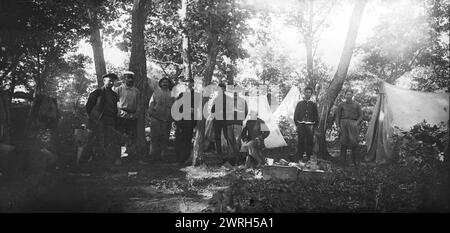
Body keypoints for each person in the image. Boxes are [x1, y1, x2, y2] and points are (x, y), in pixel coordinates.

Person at [85, 73, 120, 164]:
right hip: (98, 120)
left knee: (109, 140)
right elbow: (88, 107)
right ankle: (89, 161)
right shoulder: (97, 92)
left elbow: (116, 108)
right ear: (104, 81)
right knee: (95, 140)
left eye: (112, 81)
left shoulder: (114, 95)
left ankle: (108, 161)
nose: (111, 83)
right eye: (109, 80)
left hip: (110, 120)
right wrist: (93, 119)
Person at [212, 79, 241, 164]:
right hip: (217, 120)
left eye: (222, 89)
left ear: (224, 89)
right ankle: (219, 153)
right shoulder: (215, 99)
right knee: (217, 137)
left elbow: (231, 109)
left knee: (227, 137)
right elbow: (212, 110)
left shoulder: (228, 98)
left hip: (226, 120)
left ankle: (230, 154)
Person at [114, 71, 140, 163]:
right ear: (124, 79)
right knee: (119, 136)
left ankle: (130, 156)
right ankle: (117, 157)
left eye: (131, 78)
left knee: (131, 137)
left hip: (132, 116)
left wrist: (135, 114)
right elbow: (115, 103)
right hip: (121, 116)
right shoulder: (118, 89)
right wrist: (119, 112)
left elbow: (138, 104)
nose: (130, 80)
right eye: (128, 77)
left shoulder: (136, 91)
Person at [174, 78, 200, 164]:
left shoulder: (196, 95)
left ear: (193, 84)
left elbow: (198, 109)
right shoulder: (181, 94)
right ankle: (178, 158)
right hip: (181, 121)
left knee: (188, 139)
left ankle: (186, 157)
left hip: (190, 121)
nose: (188, 84)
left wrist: (196, 121)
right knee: (179, 139)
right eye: (187, 83)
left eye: (190, 83)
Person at [148, 77, 174, 161]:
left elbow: (174, 107)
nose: (165, 83)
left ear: (169, 84)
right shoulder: (155, 93)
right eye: (163, 82)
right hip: (156, 119)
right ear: (160, 83)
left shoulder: (172, 94)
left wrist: (170, 118)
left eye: (167, 82)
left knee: (165, 138)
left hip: (167, 120)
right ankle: (152, 155)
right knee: (154, 138)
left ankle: (163, 155)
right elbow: (151, 106)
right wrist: (153, 115)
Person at [336, 89, 363, 167]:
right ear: (345, 95)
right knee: (343, 143)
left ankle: (355, 162)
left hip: (353, 124)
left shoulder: (357, 105)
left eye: (350, 94)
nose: (348, 96)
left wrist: (356, 123)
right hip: (343, 124)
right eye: (347, 94)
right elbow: (337, 116)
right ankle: (342, 163)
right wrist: (338, 126)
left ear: (352, 95)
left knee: (354, 143)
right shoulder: (341, 104)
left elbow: (361, 116)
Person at [293, 87, 319, 162]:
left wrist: (314, 125)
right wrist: (297, 124)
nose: (308, 94)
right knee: (301, 140)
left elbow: (316, 115)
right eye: (306, 92)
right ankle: (299, 156)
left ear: (311, 94)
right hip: (301, 125)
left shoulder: (313, 104)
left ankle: (309, 157)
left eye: (309, 92)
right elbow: (296, 115)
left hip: (310, 125)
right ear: (304, 93)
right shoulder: (300, 104)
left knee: (309, 141)